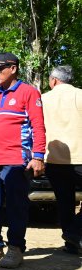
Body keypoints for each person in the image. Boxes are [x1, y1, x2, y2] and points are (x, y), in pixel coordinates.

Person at [0, 52, 46, 269]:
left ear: (13, 68)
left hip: (16, 160)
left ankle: (15, 248)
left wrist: (38, 155)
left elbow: (38, 125)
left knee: (16, 205)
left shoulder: (29, 92)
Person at [41, 65, 82, 254]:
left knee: (65, 201)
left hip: (53, 159)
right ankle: (74, 233)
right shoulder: (80, 95)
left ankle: (71, 239)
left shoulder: (43, 99)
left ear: (54, 80)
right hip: (79, 157)